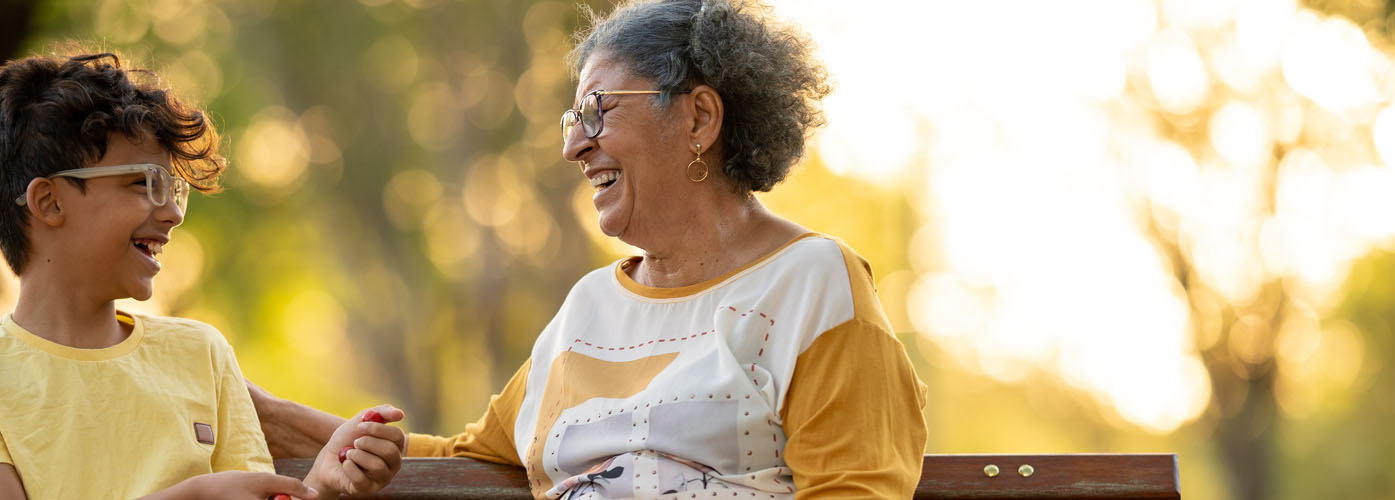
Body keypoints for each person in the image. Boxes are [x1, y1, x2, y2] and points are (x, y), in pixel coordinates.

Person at [249, 0, 928, 497]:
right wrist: (270, 418)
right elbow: (471, 456)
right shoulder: (588, 310)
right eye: (573, 119)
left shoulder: (812, 284)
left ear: (698, 117)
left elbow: (854, 489)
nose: (574, 144)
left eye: (599, 111)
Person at [0, 51, 407, 500]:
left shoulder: (201, 354)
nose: (173, 213)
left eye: (174, 190)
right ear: (50, 202)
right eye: (144, 183)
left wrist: (323, 484)